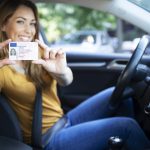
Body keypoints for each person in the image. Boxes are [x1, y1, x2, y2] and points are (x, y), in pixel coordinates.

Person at [0, 0, 150, 150]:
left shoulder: (38, 51)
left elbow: (66, 81)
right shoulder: (2, 68)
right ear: (3, 25)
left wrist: (61, 72)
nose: (29, 30)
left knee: (121, 94)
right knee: (127, 127)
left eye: (32, 23)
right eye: (21, 22)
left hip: (63, 120)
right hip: (46, 139)